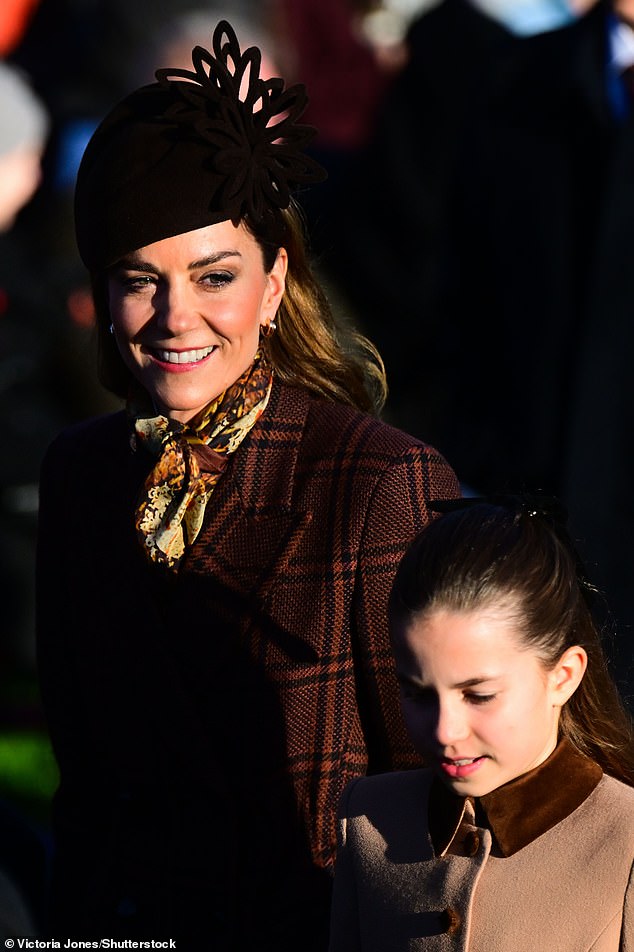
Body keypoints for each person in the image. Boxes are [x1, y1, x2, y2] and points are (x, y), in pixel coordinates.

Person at [35, 19, 459, 949]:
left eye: (213, 274)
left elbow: (447, 808)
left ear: (273, 285)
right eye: (139, 280)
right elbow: (87, 799)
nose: (174, 316)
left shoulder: (380, 483)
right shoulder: (81, 475)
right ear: (104, 300)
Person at [329, 497, 634, 951]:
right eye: (417, 693)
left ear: (563, 676)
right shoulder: (367, 817)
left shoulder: (624, 842)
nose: (444, 731)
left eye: (480, 695)